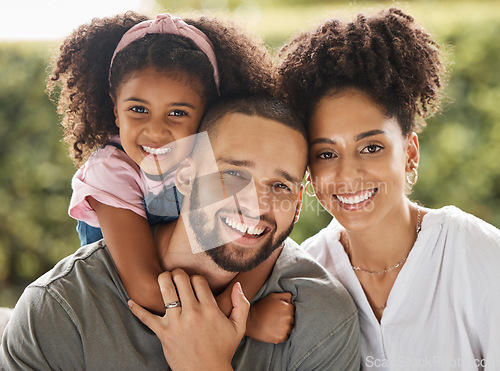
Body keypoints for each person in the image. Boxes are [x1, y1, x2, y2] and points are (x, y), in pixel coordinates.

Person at [0, 94, 361, 370]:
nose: (254, 204)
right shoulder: (60, 312)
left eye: (280, 186)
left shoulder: (318, 318)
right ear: (185, 174)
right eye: (233, 174)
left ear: (298, 205)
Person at [47, 12, 291, 342]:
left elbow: (266, 243)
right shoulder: (112, 170)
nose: (157, 130)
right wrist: (243, 321)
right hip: (122, 314)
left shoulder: (214, 162)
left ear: (207, 112)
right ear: (115, 108)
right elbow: (146, 290)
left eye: (177, 113)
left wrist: (240, 303)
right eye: (138, 109)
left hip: (192, 300)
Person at [279, 7, 500, 370]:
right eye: (326, 153)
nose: (347, 174)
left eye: (371, 147)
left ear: (410, 153)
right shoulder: (305, 271)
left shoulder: (474, 255)